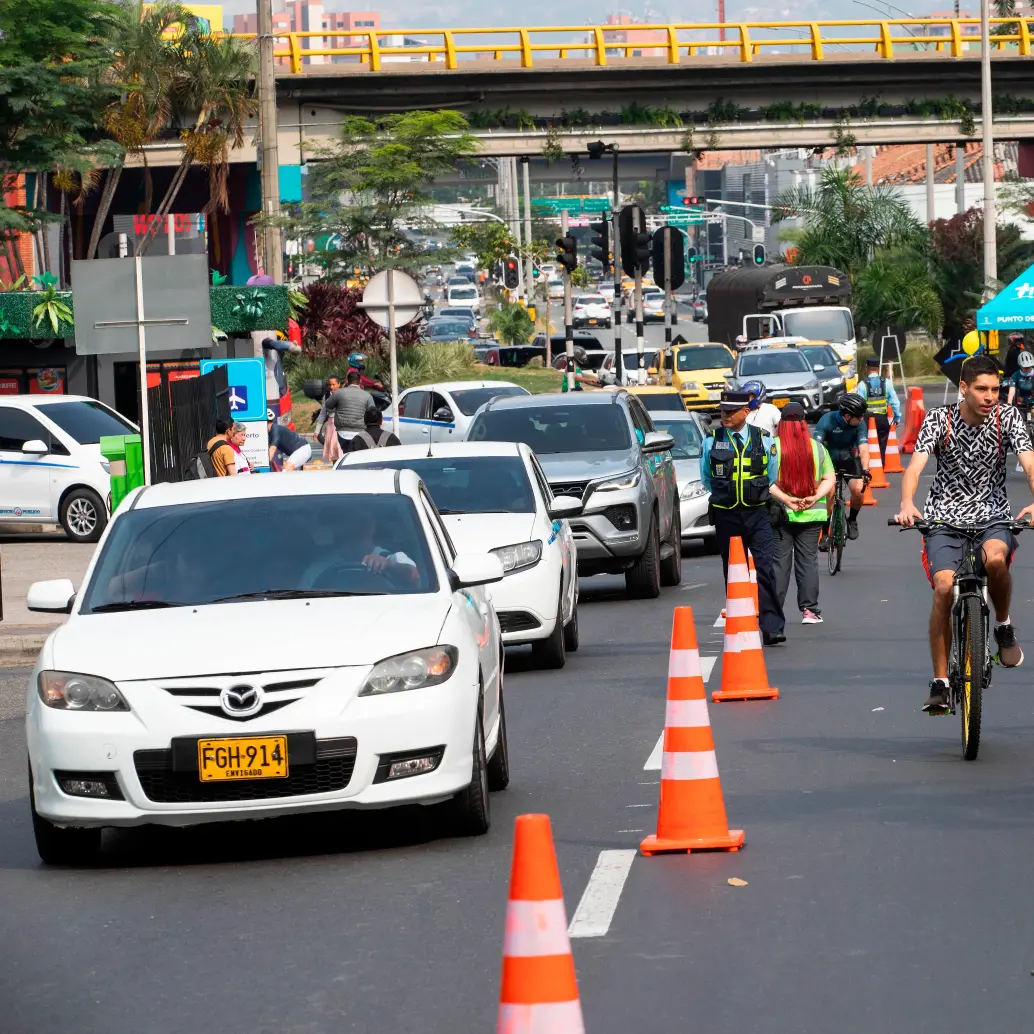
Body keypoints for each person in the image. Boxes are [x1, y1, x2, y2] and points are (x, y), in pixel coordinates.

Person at [894, 354, 1034, 712]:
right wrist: (908, 502)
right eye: (982, 389)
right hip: (943, 519)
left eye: (995, 389)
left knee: (996, 561)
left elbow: (1030, 464)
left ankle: (1003, 625)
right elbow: (916, 466)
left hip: (993, 516)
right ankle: (940, 682)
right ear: (964, 388)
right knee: (944, 587)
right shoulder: (939, 419)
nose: (990, 397)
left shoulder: (1008, 418)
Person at [699, 390, 786, 645]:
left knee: (766, 568)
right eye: (722, 411)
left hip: (757, 513)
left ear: (746, 412)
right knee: (733, 570)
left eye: (730, 411)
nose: (724, 416)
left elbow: (771, 475)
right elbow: (706, 477)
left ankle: (772, 627)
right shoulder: (711, 441)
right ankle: (739, 623)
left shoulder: (764, 440)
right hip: (726, 515)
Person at [769, 403, 835, 625]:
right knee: (808, 561)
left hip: (781, 514)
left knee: (779, 563)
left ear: (782, 424)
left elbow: (766, 481)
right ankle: (810, 611)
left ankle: (774, 610)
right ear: (803, 423)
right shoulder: (817, 448)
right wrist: (815, 498)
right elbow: (830, 479)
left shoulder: (773, 447)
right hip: (812, 514)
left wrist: (787, 499)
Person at [814, 393, 870, 543]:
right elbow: (816, 448)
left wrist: (866, 470)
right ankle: (825, 532)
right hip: (829, 462)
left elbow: (864, 449)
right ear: (847, 416)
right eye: (858, 416)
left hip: (849, 460)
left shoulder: (860, 424)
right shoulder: (827, 421)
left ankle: (852, 519)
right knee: (829, 493)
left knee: (858, 490)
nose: (862, 419)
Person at [856, 356, 902, 462]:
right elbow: (895, 402)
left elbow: (859, 404)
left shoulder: (862, 384)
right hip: (882, 419)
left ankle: (867, 465)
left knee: (866, 444)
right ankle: (880, 465)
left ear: (867, 367)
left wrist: (859, 419)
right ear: (878, 368)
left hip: (867, 420)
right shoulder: (886, 383)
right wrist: (897, 417)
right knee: (882, 445)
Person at [322, 370, 374, 449]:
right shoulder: (367, 396)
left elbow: (328, 405)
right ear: (360, 381)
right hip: (360, 431)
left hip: (342, 432)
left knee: (346, 453)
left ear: (347, 381)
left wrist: (336, 407)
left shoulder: (339, 393)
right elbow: (372, 413)